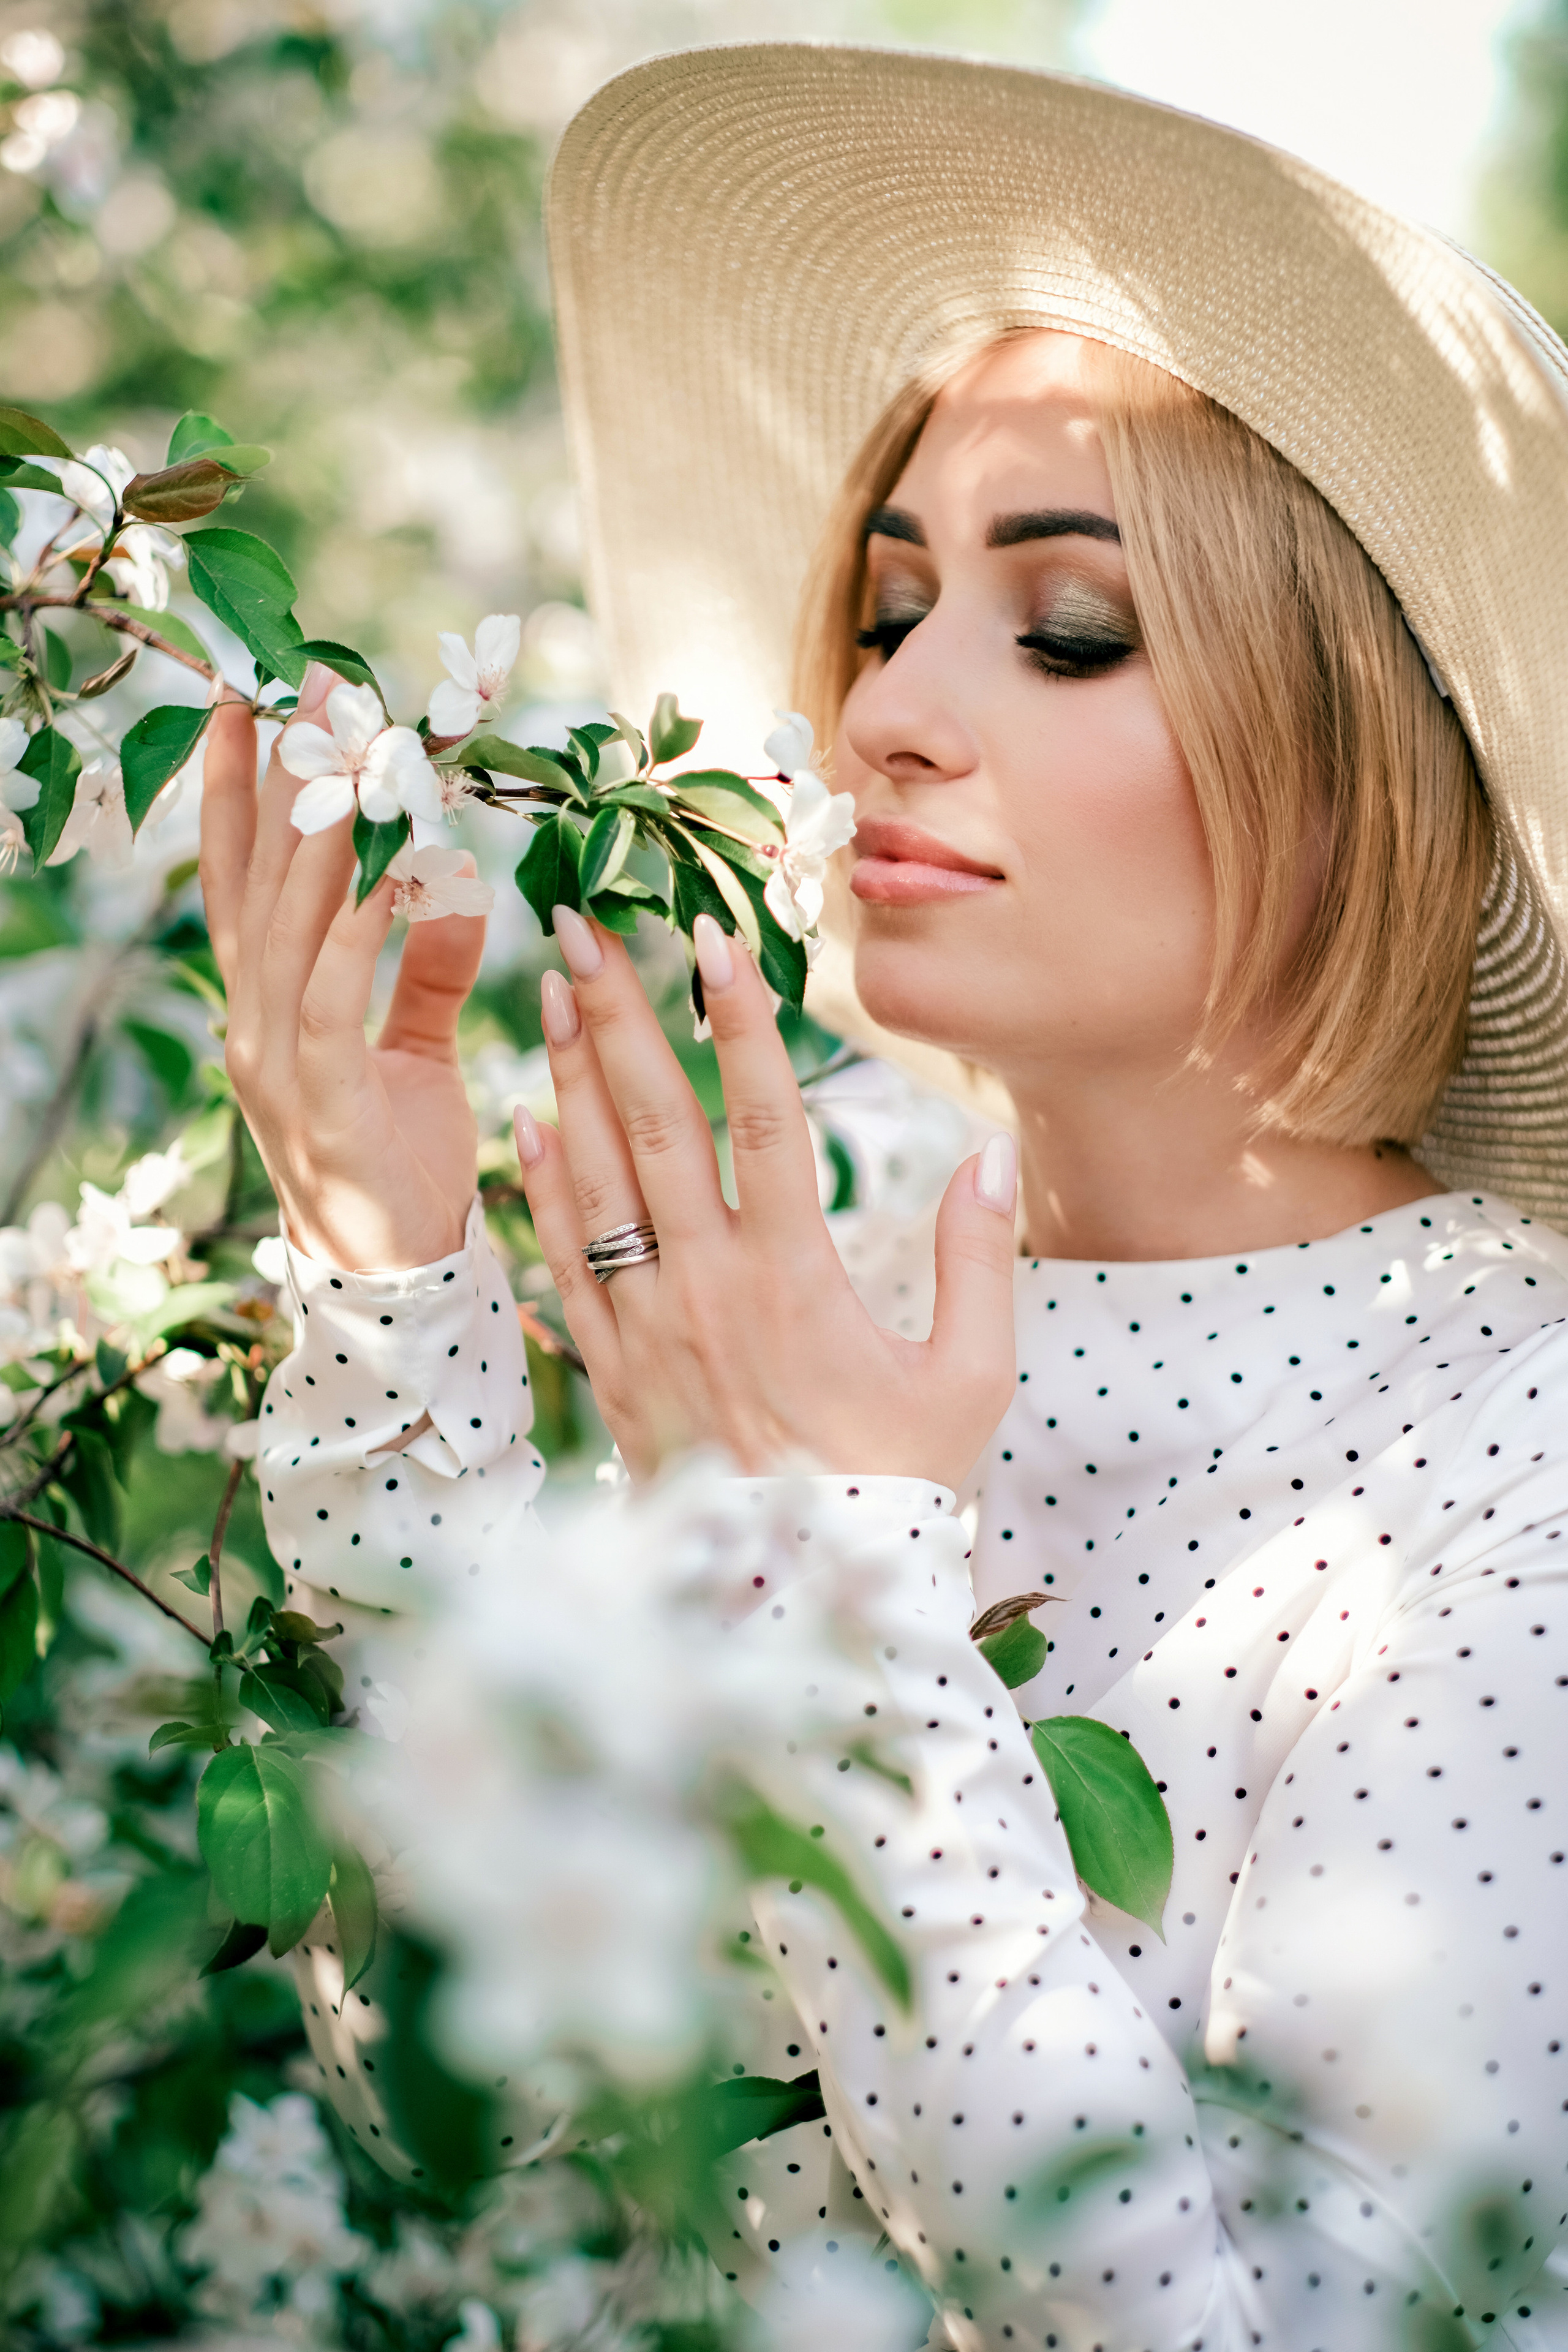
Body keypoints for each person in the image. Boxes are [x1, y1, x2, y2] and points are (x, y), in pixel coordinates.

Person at [198, 45, 1568, 2350]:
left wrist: (836, 1574)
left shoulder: (1506, 1464)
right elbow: (464, 2115)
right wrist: (388, 1289)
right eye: (888, 603)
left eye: (1069, 629)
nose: (882, 715)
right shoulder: (801, 1286)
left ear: (1364, 760)